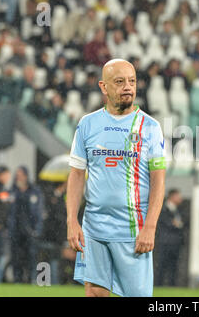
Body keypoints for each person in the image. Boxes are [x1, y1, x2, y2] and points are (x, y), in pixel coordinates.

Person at [66, 59, 166, 297]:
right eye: (119, 82)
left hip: (132, 230)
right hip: (94, 227)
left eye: (131, 81)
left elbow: (158, 182)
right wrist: (72, 220)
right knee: (95, 294)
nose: (128, 87)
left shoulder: (150, 127)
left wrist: (150, 227)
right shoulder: (87, 124)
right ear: (103, 87)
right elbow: (77, 174)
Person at [8, 166, 44, 283]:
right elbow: (8, 211)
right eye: (17, 175)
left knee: (31, 256)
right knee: (16, 257)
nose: (18, 177)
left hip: (30, 230)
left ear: (26, 176)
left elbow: (38, 211)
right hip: (16, 230)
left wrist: (37, 230)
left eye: (20, 175)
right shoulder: (13, 191)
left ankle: (32, 279)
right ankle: (17, 280)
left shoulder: (34, 191)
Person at [154, 189, 184, 287]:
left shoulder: (178, 210)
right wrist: (174, 224)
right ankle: (157, 285)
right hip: (164, 243)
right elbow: (166, 223)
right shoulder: (162, 208)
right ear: (172, 196)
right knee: (161, 265)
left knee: (173, 266)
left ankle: (172, 285)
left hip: (175, 244)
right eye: (178, 196)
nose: (180, 199)